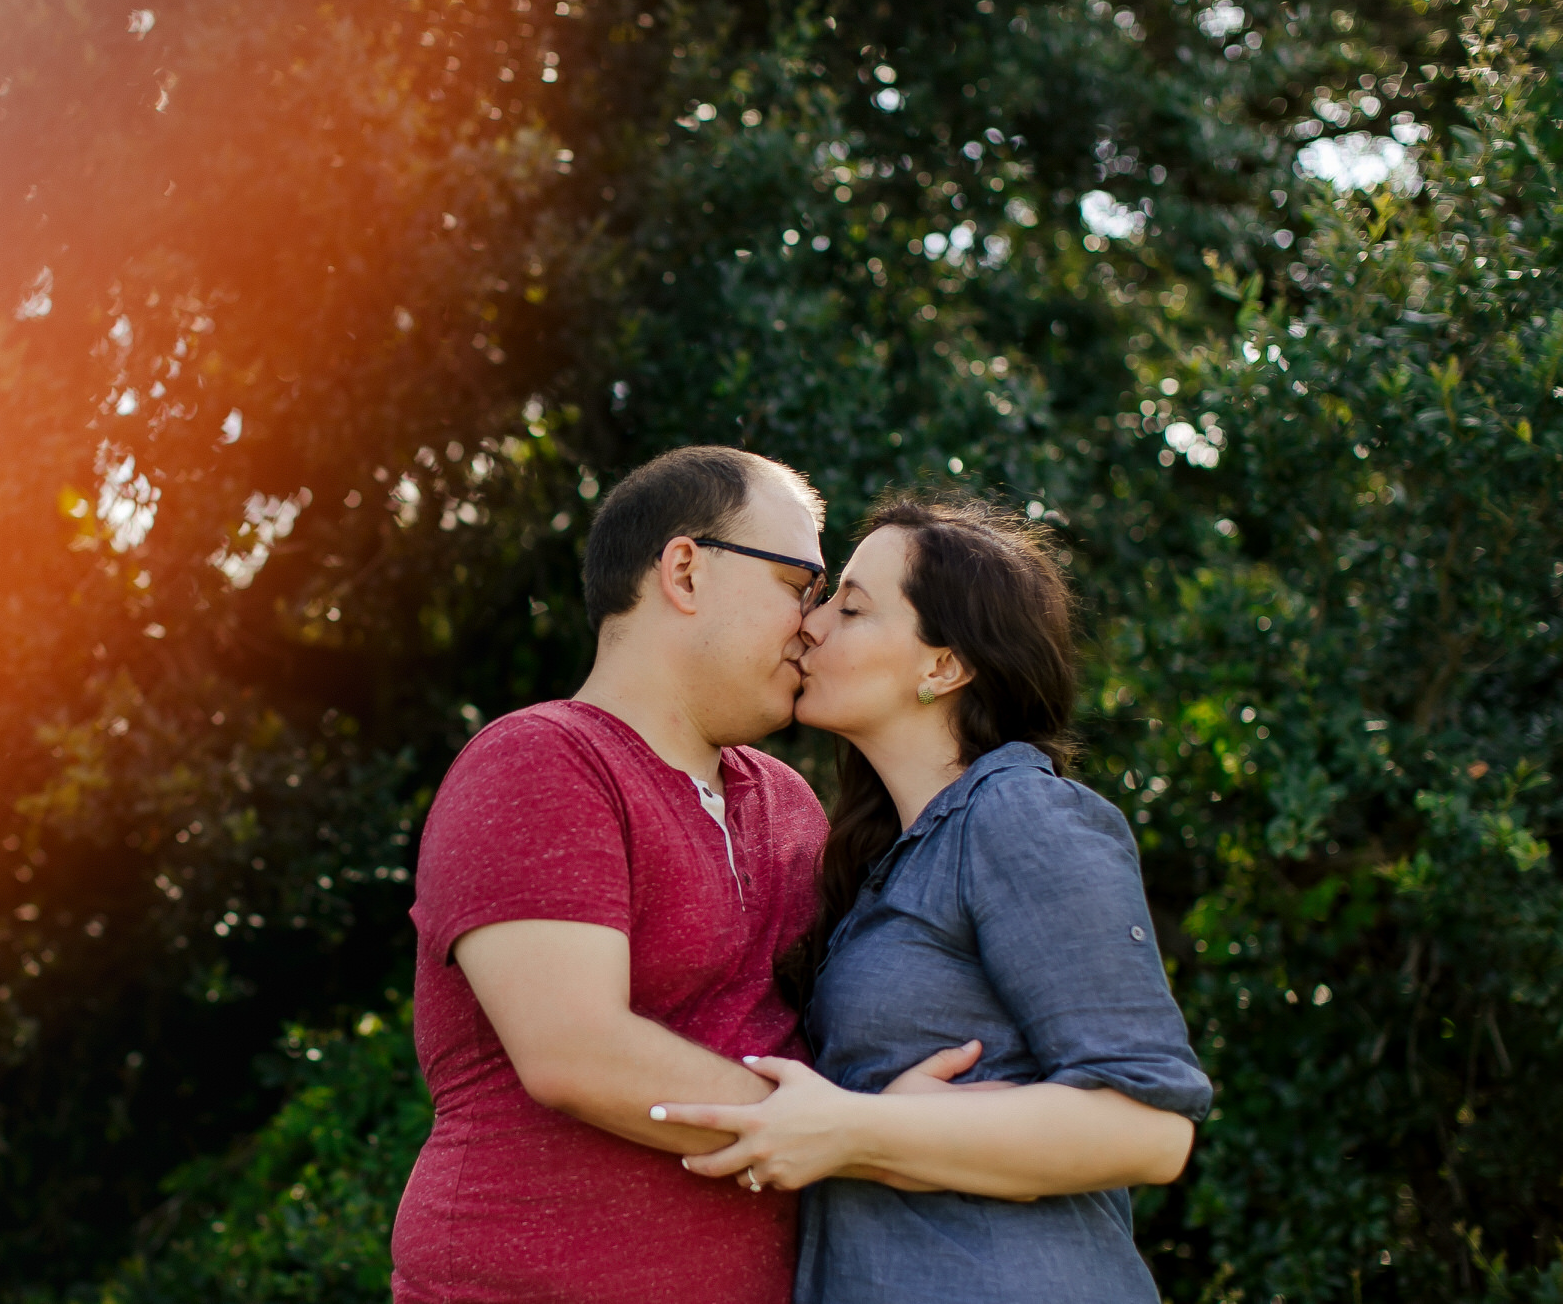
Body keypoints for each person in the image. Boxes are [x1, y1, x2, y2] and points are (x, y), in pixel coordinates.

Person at [653, 492, 1212, 1304]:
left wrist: (858, 1129)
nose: (810, 625)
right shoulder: (884, 858)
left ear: (942, 666)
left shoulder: (1019, 813)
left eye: (851, 607)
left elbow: (1149, 1128)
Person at [390, 445, 835, 1304]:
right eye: (798, 584)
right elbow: (576, 1051)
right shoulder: (541, 760)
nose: (814, 624)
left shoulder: (789, 802)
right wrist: (840, 1133)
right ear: (684, 570)